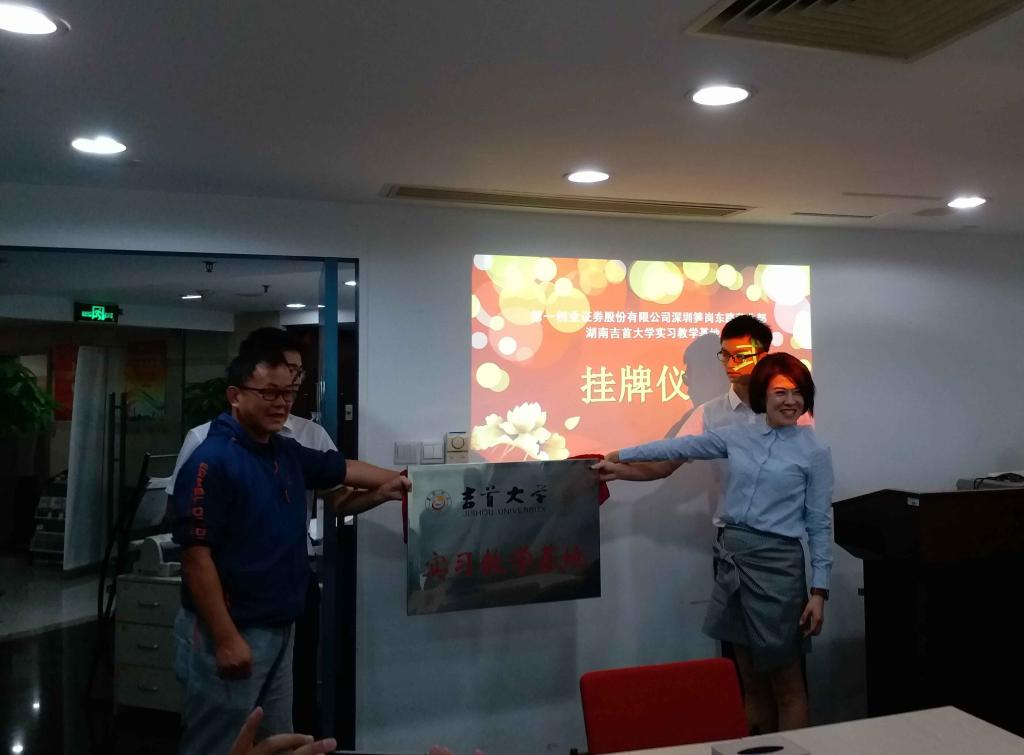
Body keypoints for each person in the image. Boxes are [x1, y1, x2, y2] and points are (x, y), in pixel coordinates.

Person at [171, 346, 409, 755]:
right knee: (222, 742)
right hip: (233, 628)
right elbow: (195, 558)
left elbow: (343, 469)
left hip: (280, 625)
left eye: (287, 393)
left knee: (277, 739)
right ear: (235, 395)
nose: (281, 403)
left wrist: (404, 483)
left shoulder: (282, 450)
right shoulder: (212, 459)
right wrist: (226, 638)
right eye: (268, 393)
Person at [594, 354, 833, 732]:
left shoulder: (814, 452)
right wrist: (620, 457)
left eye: (798, 393)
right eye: (780, 392)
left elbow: (819, 524)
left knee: (787, 684)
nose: (791, 401)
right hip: (732, 562)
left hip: (778, 567)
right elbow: (677, 449)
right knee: (749, 680)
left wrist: (819, 591)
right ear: (762, 395)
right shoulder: (738, 435)